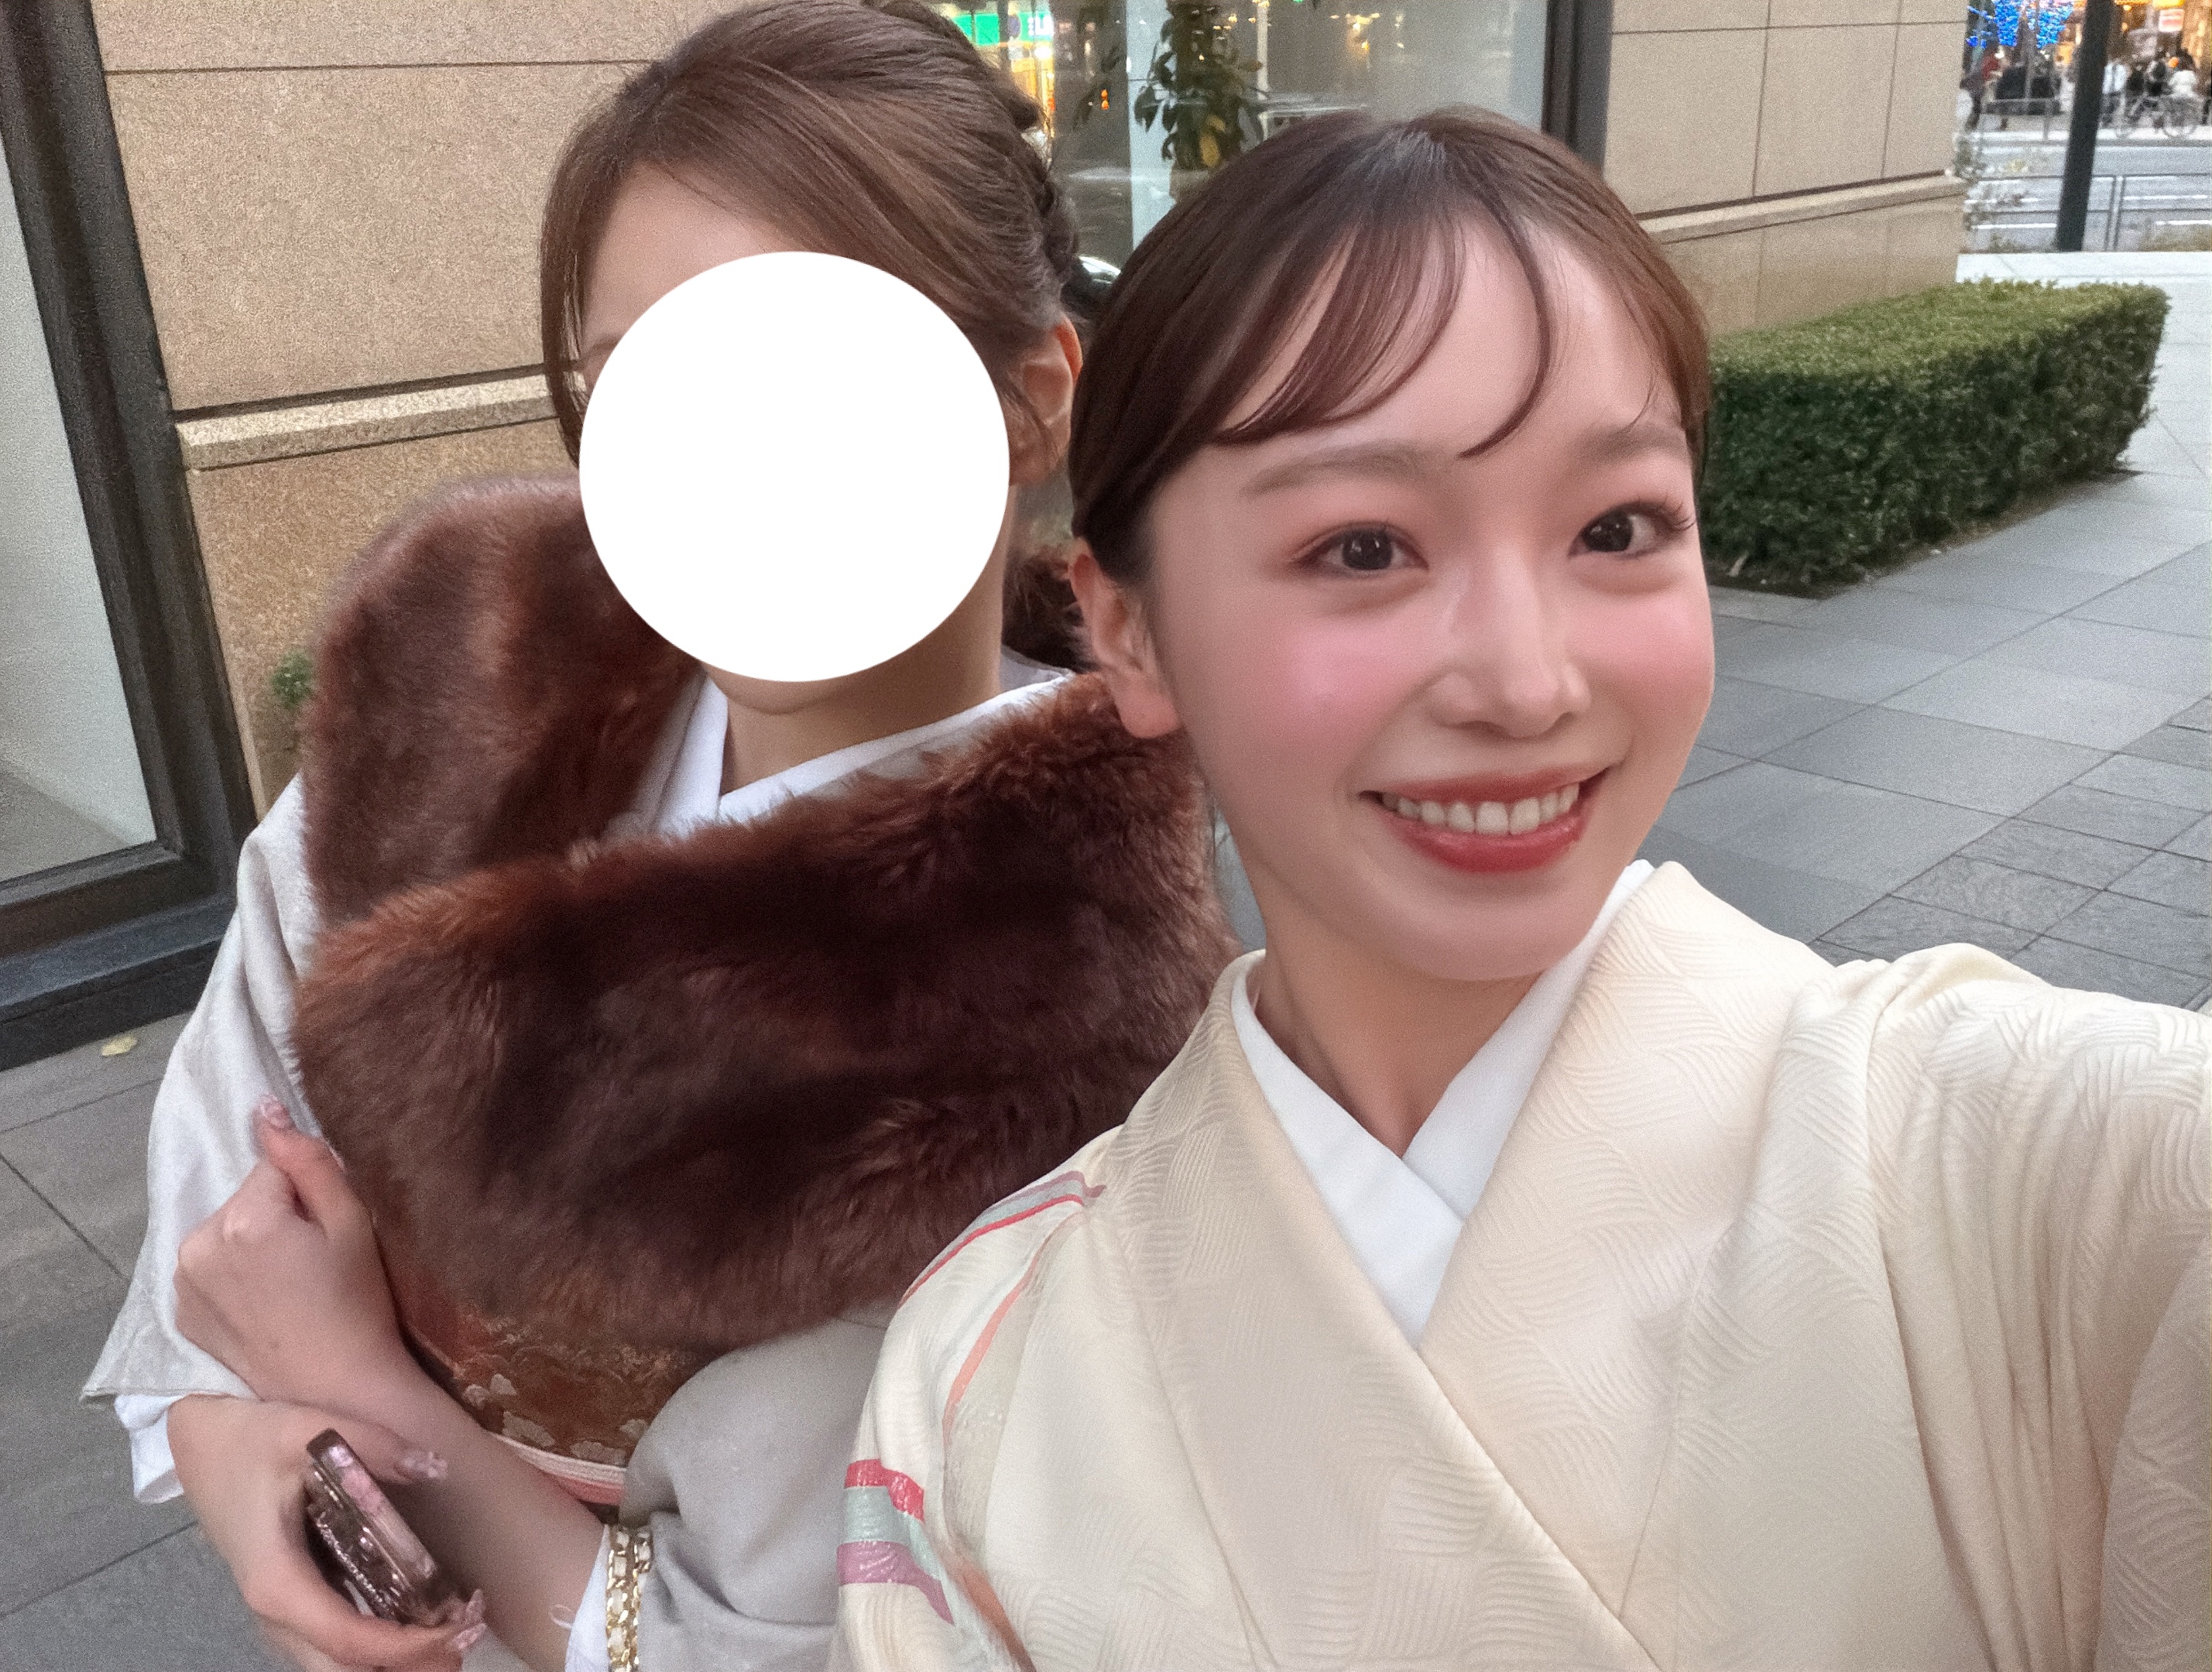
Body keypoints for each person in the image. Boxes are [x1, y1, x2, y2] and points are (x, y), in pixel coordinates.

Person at [825, 107, 2211, 1669]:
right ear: (1126, 630)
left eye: (1617, 528)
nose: (1527, 681)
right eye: (1363, 548)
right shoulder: (981, 1382)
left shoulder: (2040, 1177)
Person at [86, 4, 1240, 1669]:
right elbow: (228, 1203)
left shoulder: (1086, 1006)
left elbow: (789, 1634)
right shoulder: (458, 678)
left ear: (1029, 402)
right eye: (644, 383)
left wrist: (342, 1382)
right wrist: (219, 1436)